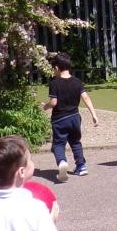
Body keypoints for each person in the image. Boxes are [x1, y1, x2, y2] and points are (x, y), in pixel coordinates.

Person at [41, 53, 99, 183]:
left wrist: (45, 107)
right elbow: (86, 98)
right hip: (74, 118)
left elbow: (54, 102)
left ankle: (62, 162)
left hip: (59, 119)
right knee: (76, 142)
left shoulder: (54, 83)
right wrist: (93, 114)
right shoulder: (77, 81)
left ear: (56, 68)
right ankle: (81, 166)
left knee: (58, 144)